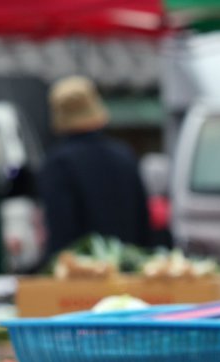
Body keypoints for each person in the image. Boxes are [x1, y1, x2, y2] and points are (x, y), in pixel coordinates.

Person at [39, 76, 151, 261]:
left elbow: (60, 233)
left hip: (79, 280)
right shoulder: (124, 156)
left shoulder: (58, 164)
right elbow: (143, 224)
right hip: (127, 273)